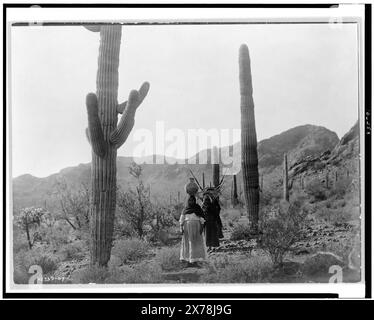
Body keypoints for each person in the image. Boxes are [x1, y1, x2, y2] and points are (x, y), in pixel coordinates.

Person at [179, 195, 207, 266]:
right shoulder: (185, 209)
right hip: (187, 229)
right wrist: (181, 228)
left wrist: (202, 227)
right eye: (190, 200)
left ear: (195, 201)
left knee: (195, 243)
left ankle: (195, 260)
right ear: (188, 201)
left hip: (197, 228)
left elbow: (202, 219)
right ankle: (188, 261)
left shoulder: (198, 208)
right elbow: (181, 220)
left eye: (193, 200)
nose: (191, 201)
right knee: (188, 243)